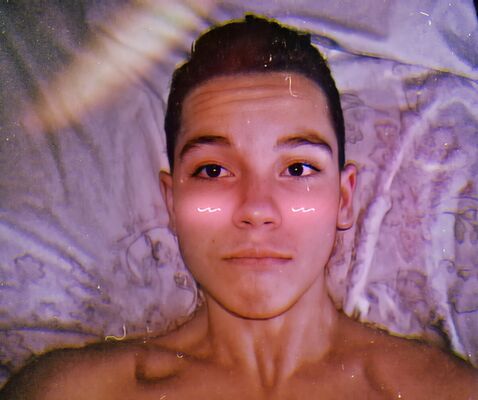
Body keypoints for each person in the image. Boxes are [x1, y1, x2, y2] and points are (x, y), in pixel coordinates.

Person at [1, 14, 477, 400]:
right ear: (173, 202)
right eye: (213, 170)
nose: (256, 209)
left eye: (297, 169)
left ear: (344, 199)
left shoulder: (443, 393)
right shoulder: (68, 392)